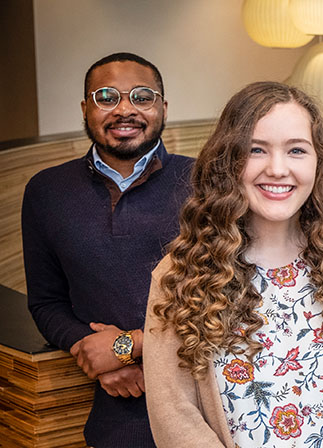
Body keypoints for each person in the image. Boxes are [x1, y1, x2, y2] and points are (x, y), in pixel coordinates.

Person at [142, 81, 323, 448]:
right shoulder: (180, 273)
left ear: (319, 161)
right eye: (256, 150)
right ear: (227, 161)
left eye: (296, 150)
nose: (278, 169)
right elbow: (174, 414)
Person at [22, 52, 192, 447]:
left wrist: (124, 348)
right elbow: (46, 303)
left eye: (142, 96)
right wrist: (92, 352)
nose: (125, 110)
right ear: (86, 109)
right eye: (107, 97)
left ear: (163, 108)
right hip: (115, 423)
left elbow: (240, 301)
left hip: (207, 411)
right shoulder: (46, 192)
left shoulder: (207, 183)